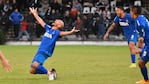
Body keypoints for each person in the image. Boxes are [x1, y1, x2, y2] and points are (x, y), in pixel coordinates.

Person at [29, 7, 79, 80]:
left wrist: (71, 32)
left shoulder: (56, 32)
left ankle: (49, 74)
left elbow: (63, 33)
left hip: (45, 51)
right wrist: (35, 14)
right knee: (32, 71)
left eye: (58, 21)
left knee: (34, 64)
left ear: (58, 26)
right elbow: (41, 21)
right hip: (40, 50)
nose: (56, 20)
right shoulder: (48, 28)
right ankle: (50, 71)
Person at [130, 6, 149, 84]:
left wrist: (139, 44)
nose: (130, 13)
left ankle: (146, 81)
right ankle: (146, 80)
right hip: (148, 45)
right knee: (141, 63)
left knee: (141, 63)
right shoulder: (142, 18)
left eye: (130, 11)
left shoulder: (138, 21)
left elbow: (141, 31)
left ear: (133, 12)